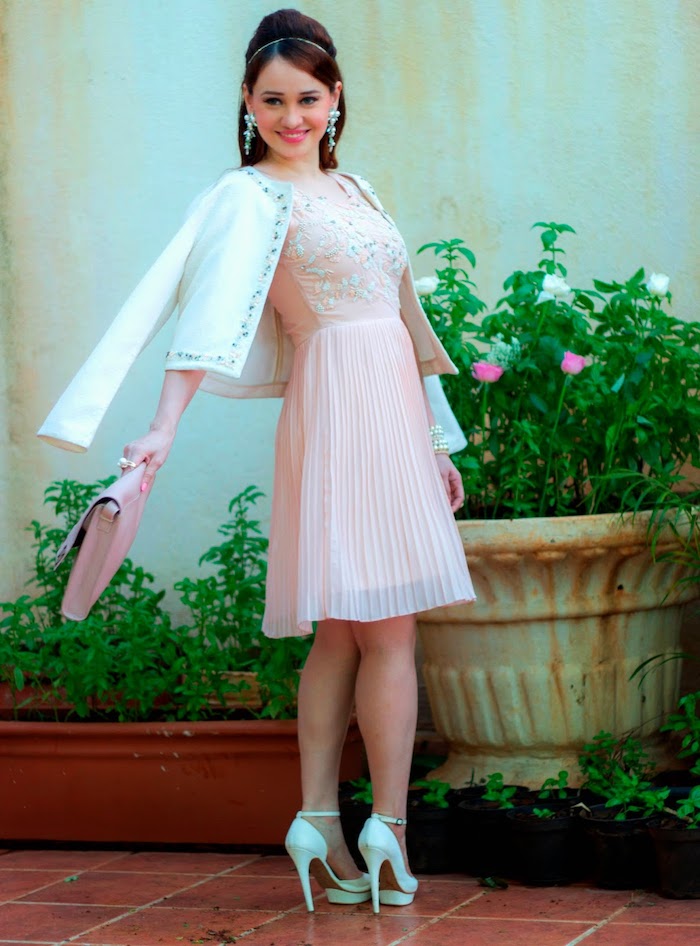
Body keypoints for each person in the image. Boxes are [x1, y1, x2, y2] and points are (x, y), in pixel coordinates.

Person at [38, 8, 475, 915]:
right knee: (374, 625)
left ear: (336, 96)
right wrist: (162, 428)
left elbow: (406, 323)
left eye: (308, 97)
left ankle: (336, 824)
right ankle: (371, 827)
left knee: (364, 628)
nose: (292, 116)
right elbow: (202, 319)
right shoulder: (247, 197)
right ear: (247, 101)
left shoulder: (360, 191)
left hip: (394, 409)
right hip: (336, 405)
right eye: (273, 100)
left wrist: (437, 440)